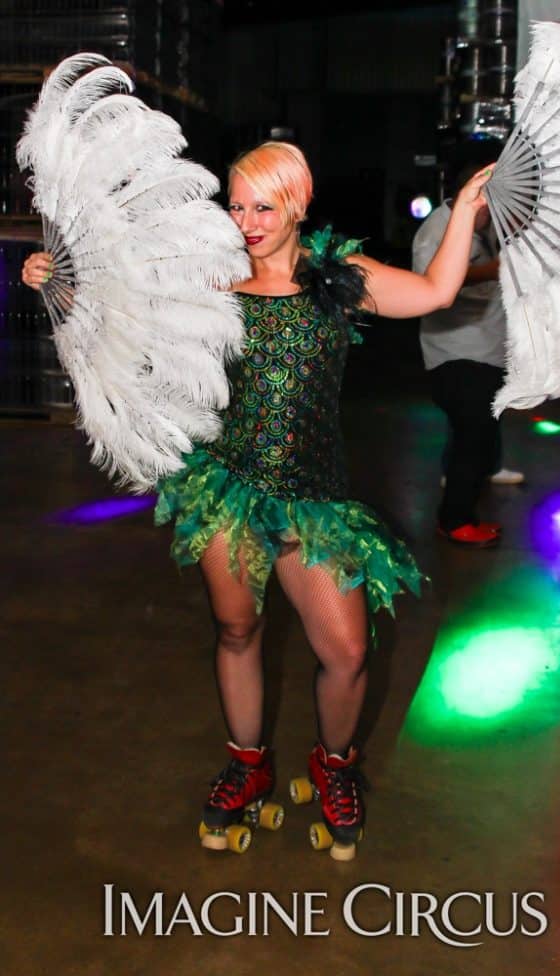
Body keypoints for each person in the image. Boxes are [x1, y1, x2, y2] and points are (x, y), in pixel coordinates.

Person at [22, 141, 492, 860]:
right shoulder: (210, 278)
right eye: (236, 206)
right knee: (236, 631)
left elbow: (434, 292)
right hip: (230, 490)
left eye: (262, 206)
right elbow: (126, 311)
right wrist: (57, 280)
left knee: (348, 651)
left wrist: (465, 212)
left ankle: (335, 764)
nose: (246, 221)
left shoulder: (341, 276)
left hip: (316, 497)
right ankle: (248, 761)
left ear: (298, 202)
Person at [412, 165, 524, 549]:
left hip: (485, 350)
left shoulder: (485, 225)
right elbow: (430, 283)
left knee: (476, 437)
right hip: (458, 353)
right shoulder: (437, 229)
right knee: (471, 439)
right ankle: (455, 520)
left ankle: (463, 513)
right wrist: (493, 270)